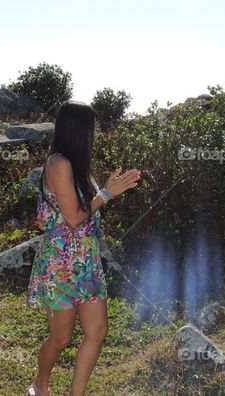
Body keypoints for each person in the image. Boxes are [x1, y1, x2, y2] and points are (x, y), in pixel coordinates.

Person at [26, 101, 140, 396]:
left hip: (86, 261)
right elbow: (75, 217)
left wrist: (106, 189)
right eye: (92, 129)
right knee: (61, 337)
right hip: (61, 262)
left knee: (97, 331)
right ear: (79, 130)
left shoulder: (77, 168)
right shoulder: (58, 164)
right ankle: (40, 384)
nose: (95, 135)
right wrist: (106, 193)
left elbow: (86, 213)